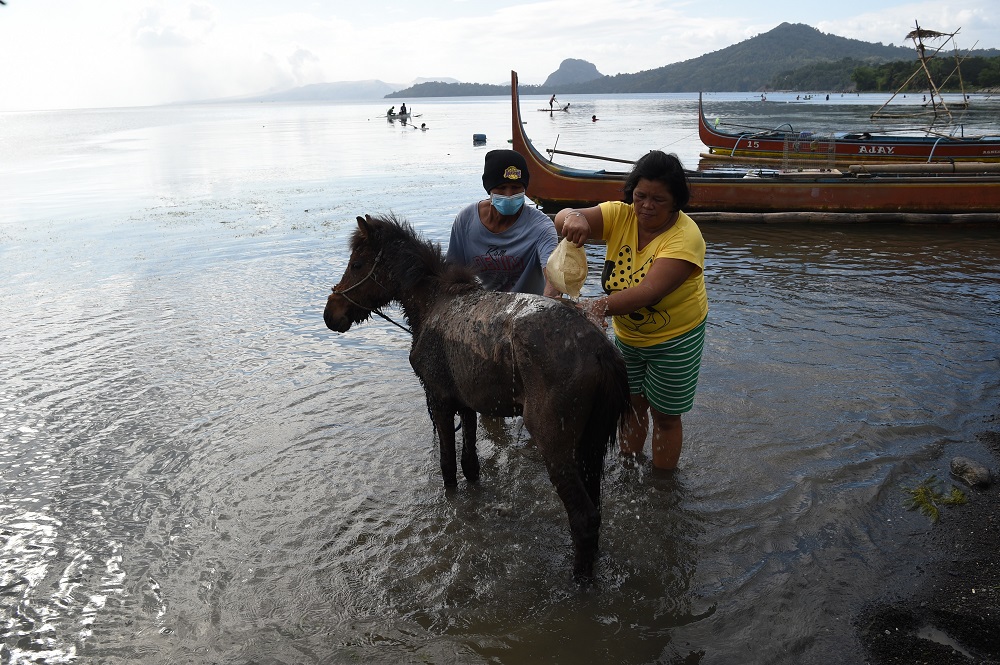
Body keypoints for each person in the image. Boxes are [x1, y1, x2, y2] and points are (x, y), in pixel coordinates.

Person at [554, 151, 708, 471]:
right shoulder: (620, 215)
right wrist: (574, 219)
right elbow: (564, 216)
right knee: (631, 405)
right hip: (629, 337)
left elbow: (648, 292)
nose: (646, 206)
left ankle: (663, 485)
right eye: (640, 196)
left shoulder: (685, 237)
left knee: (665, 415)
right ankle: (629, 467)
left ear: (676, 201)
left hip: (675, 339)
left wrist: (597, 306)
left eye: (658, 199)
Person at [447, 149, 559, 296]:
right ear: (489, 189)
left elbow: (554, 278)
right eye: (501, 188)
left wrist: (550, 300)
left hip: (529, 308)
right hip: (484, 306)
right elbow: (451, 272)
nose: (509, 195)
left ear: (524, 188)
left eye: (515, 188)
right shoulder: (466, 220)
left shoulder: (541, 227)